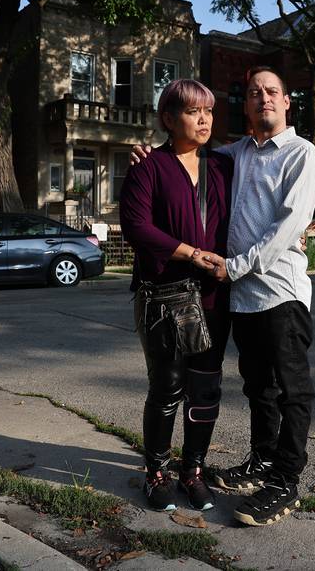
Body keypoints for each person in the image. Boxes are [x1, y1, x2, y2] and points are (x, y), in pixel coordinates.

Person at [133, 66, 315, 526]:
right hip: (239, 298)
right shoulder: (234, 154)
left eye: (272, 91)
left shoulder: (301, 154)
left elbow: (287, 227)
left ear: (286, 101)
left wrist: (230, 265)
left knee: (292, 390)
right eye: (254, 92)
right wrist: (145, 153)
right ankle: (259, 460)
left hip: (279, 291)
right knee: (258, 388)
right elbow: (179, 164)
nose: (263, 99)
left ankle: (285, 479)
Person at [119, 79, 234, 512]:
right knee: (167, 387)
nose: (203, 119)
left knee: (205, 390)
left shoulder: (223, 165)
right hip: (165, 297)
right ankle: (157, 471)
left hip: (213, 296)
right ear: (168, 119)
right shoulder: (148, 167)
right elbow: (136, 227)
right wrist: (192, 254)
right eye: (192, 111)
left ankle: (193, 469)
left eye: (208, 111)